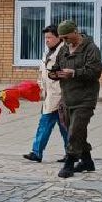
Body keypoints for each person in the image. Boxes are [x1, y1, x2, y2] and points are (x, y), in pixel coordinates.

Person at [52, 19, 102, 179]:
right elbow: (57, 67)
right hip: (67, 97)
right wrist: (54, 73)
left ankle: (69, 163)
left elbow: (95, 72)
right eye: (62, 38)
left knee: (74, 132)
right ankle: (87, 161)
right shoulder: (63, 50)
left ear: (75, 31)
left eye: (67, 37)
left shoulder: (91, 49)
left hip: (85, 98)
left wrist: (74, 73)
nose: (64, 41)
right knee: (76, 130)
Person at [24, 24, 70, 164]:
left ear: (58, 37)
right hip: (50, 95)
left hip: (59, 95)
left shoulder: (64, 52)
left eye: (50, 37)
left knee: (48, 124)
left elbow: (65, 73)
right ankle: (71, 153)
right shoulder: (48, 52)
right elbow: (43, 73)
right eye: (45, 37)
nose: (47, 40)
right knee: (63, 127)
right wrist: (39, 88)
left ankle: (37, 152)